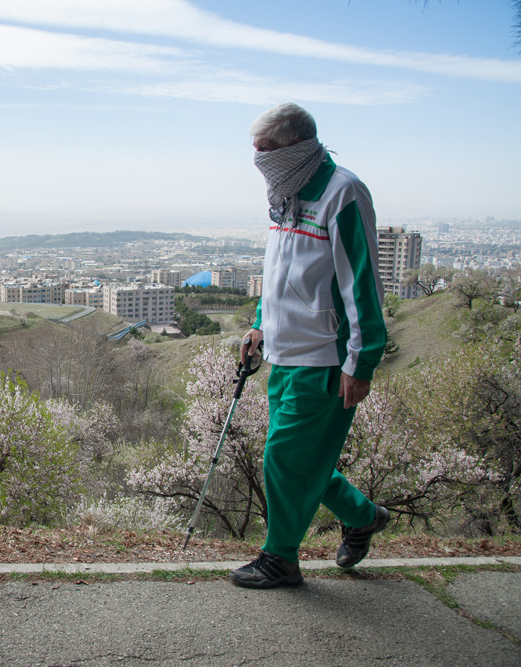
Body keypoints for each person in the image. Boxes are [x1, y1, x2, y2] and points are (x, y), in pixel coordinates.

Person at [230, 102, 389, 589]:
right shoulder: (286, 193)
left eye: (266, 150)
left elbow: (362, 284)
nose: (259, 160)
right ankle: (362, 516)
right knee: (300, 458)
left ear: (296, 145)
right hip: (285, 352)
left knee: (284, 457)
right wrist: (260, 324)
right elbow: (281, 274)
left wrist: (361, 362)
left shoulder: (343, 193)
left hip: (324, 356)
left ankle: (281, 557)